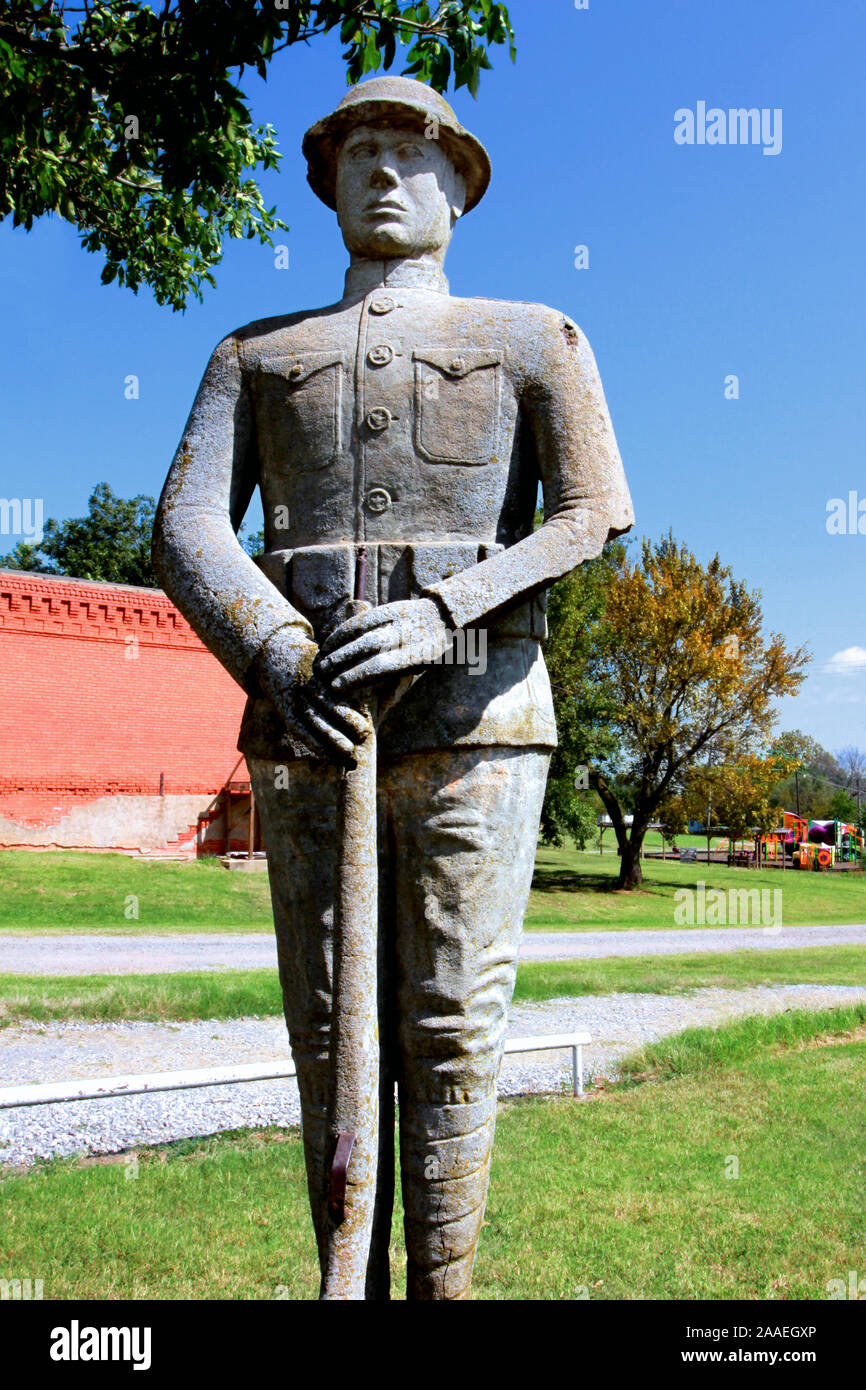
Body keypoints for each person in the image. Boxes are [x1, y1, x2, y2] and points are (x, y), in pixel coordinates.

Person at [153, 75, 633, 1299]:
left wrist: (441, 614)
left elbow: (592, 512)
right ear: (324, 187)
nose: (382, 173)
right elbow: (188, 529)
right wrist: (273, 646)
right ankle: (340, 1280)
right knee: (328, 1024)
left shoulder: (534, 337)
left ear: (459, 189)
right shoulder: (256, 353)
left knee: (452, 1019)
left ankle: (446, 1284)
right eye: (358, 153)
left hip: (477, 718)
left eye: (412, 158)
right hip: (309, 717)